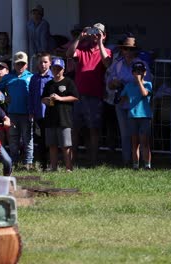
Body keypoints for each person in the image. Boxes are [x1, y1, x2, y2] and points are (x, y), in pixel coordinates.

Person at [66, 23, 112, 165]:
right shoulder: (82, 48)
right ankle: (72, 161)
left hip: (95, 95)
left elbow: (107, 63)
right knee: (75, 129)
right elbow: (69, 54)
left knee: (94, 129)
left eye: (98, 33)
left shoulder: (107, 51)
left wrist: (99, 42)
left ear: (104, 36)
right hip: (78, 95)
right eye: (93, 32)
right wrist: (80, 37)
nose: (95, 35)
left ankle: (93, 160)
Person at [106, 35, 152, 166]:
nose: (128, 51)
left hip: (138, 106)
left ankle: (144, 163)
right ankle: (128, 161)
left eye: (131, 49)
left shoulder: (142, 65)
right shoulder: (118, 64)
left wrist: (134, 84)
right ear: (122, 50)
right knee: (126, 134)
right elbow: (109, 83)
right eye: (126, 48)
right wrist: (114, 83)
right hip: (121, 102)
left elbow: (147, 84)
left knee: (141, 136)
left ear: (135, 50)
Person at [0, 51, 34, 169]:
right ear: (14, 65)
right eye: (18, 64)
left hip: (27, 112)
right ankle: (14, 161)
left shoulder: (31, 77)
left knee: (28, 138)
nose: (20, 66)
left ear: (26, 64)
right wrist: (3, 98)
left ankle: (28, 162)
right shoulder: (8, 77)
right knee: (13, 138)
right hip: (12, 112)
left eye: (23, 64)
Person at [41, 58, 79, 171]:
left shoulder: (68, 82)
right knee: (52, 145)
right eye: (54, 68)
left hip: (64, 118)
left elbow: (75, 97)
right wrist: (47, 100)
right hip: (50, 118)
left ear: (63, 70)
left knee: (66, 145)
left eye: (59, 69)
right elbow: (42, 98)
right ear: (51, 69)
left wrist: (60, 98)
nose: (56, 71)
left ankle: (68, 168)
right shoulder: (49, 84)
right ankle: (54, 168)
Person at [120, 62, 153, 170]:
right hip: (132, 116)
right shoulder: (128, 86)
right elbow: (122, 98)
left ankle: (147, 165)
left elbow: (144, 93)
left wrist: (139, 81)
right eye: (136, 71)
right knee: (135, 143)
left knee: (145, 142)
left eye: (141, 71)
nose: (138, 73)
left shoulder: (148, 84)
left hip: (145, 116)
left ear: (145, 72)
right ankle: (135, 165)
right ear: (132, 73)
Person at [28, 52, 53, 171]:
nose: (43, 64)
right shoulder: (34, 78)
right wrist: (31, 111)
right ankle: (43, 163)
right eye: (40, 62)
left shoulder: (53, 77)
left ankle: (51, 163)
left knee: (51, 140)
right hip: (38, 114)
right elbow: (31, 96)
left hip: (50, 114)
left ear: (50, 63)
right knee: (40, 140)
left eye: (45, 62)